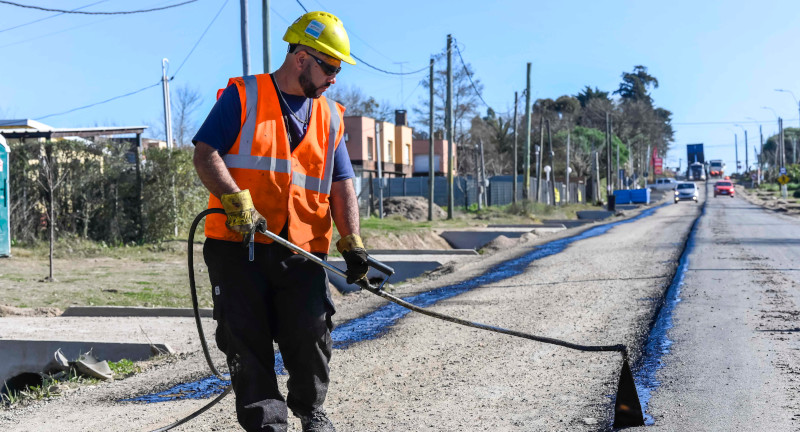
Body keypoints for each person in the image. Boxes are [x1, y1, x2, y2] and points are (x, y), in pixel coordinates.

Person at [192, 11, 369, 432]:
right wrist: (236, 200)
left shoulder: (330, 116)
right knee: (245, 339)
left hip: (302, 249)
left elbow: (341, 181)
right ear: (301, 58)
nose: (333, 78)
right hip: (238, 247)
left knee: (310, 333)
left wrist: (352, 239)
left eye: (338, 70)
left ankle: (310, 409)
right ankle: (267, 425)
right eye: (329, 67)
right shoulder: (243, 96)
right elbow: (205, 152)